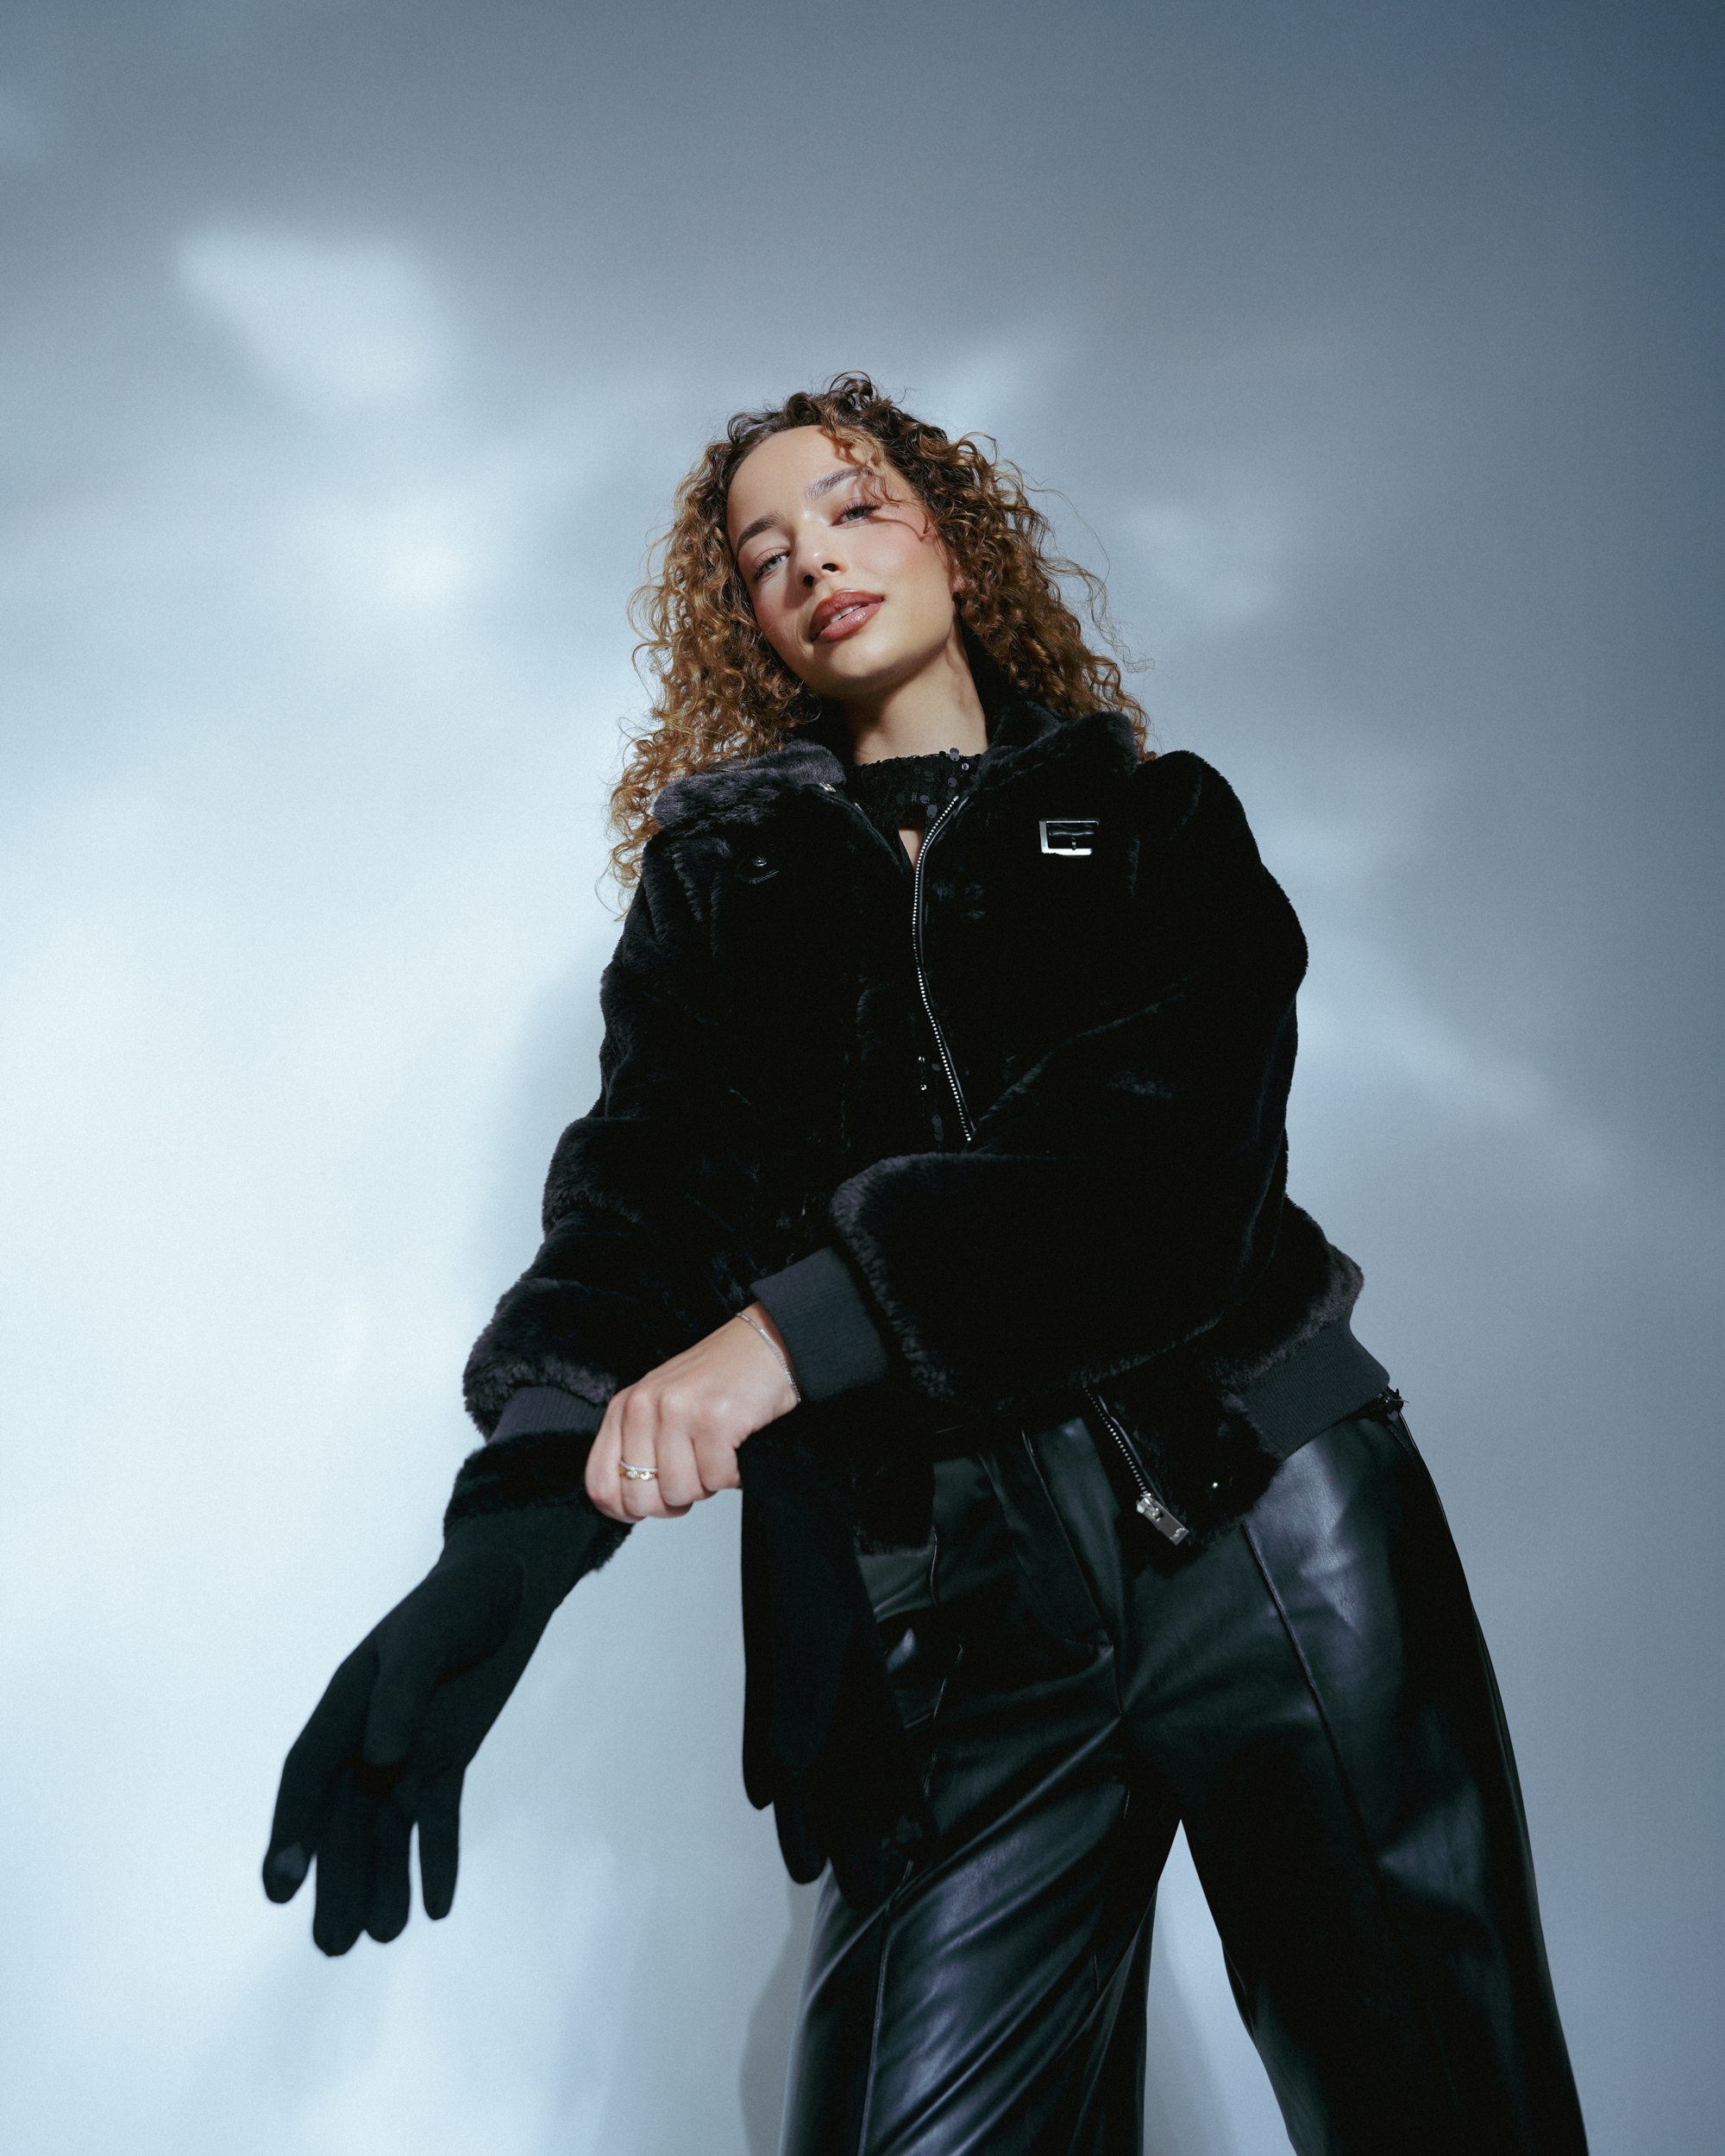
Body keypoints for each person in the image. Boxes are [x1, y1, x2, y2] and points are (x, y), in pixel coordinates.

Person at [263, 373, 1588, 2155]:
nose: (813, 560)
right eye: (763, 555)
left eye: (854, 507)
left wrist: (790, 1336)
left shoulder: (1151, 822)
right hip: (960, 1622)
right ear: (746, 622)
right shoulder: (719, 889)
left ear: (952, 540)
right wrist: (504, 1550)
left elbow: (1163, 1171)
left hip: (1271, 1534)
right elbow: (640, 1209)